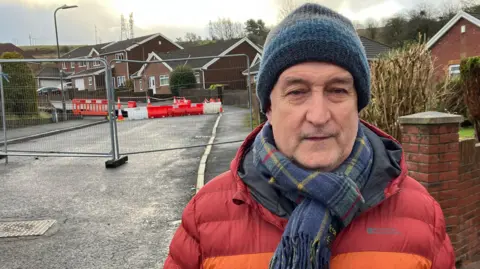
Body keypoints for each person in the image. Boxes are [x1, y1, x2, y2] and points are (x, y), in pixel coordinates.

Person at [164, 3, 456, 269]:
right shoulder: (204, 216)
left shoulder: (423, 217)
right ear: (268, 106)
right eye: (297, 92)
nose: (318, 115)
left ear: (358, 104)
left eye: (338, 90)